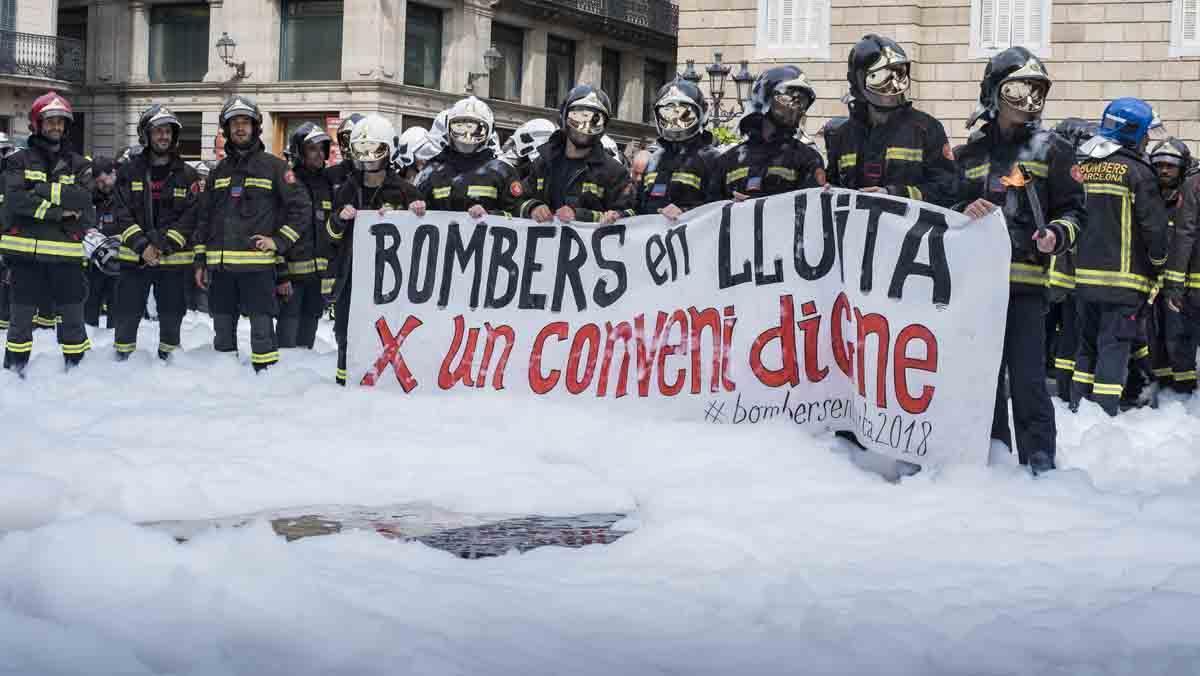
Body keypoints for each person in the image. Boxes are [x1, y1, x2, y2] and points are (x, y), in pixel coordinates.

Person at [954, 47, 1085, 474]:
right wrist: (963, 207)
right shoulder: (969, 154)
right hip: (975, 288)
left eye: (1037, 90)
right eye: (1018, 88)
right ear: (994, 92)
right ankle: (990, 455)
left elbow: (1075, 211)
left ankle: (1039, 462)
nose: (1030, 99)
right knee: (981, 379)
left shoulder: (1055, 151)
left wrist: (1056, 235)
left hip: (1026, 287)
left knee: (1028, 380)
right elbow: (946, 207)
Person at [192, 95, 311, 372]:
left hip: (257, 270)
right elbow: (204, 218)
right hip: (220, 271)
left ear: (256, 127)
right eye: (235, 123)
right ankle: (226, 384)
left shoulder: (275, 167)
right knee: (222, 332)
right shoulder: (218, 171)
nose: (240, 128)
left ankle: (265, 383)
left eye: (245, 122)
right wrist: (200, 262)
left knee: (261, 335)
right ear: (226, 130)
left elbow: (301, 208)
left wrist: (279, 241)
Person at [1070, 98, 1169, 416]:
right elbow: (1154, 229)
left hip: (1084, 278)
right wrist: (1158, 265)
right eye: (1146, 133)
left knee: (1086, 347)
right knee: (1114, 347)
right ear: (1134, 133)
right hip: (1124, 281)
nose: (1149, 139)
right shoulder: (1138, 172)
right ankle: (1103, 415)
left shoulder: (1083, 166)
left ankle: (1077, 407)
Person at [0, 91, 96, 374]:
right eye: (50, 121)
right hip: (25, 258)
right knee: (19, 323)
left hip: (66, 259)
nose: (56, 127)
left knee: (73, 321)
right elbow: (16, 200)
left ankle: (76, 373)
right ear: (37, 123)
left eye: (61, 122)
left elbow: (82, 200)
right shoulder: (18, 160)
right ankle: (15, 373)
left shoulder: (80, 164)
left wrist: (39, 189)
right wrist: (58, 211)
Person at [328, 114, 425, 385]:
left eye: (375, 150)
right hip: (353, 273)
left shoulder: (406, 191)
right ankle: (344, 382)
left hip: (392, 280)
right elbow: (331, 236)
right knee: (347, 331)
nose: (369, 158)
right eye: (362, 151)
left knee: (389, 329)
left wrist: (416, 213)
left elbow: (421, 238)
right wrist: (339, 219)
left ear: (389, 151)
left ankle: (389, 383)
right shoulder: (347, 188)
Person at [111, 105, 201, 361]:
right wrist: (142, 246)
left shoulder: (187, 174)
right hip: (134, 260)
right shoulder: (129, 172)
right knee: (127, 312)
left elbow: (191, 216)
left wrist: (164, 245)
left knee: (172, 312)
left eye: (168, 131)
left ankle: (169, 361)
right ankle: (122, 361)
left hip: (172, 261)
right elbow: (121, 212)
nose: (163, 136)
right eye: (158, 131)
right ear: (146, 135)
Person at [824, 35, 957, 207]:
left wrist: (892, 194)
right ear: (859, 82)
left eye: (898, 74)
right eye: (880, 77)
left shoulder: (927, 129)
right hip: (856, 232)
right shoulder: (843, 135)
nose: (893, 85)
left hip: (907, 231)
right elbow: (833, 186)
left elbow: (949, 189)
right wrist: (828, 190)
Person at [515, 85, 636, 224]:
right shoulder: (544, 162)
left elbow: (630, 214)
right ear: (564, 115)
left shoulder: (614, 172)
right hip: (545, 244)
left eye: (595, 120)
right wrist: (532, 207)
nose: (584, 127)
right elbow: (515, 200)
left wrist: (582, 216)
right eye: (577, 117)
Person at [714, 65, 825, 200]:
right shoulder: (729, 160)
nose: (796, 106)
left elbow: (812, 209)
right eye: (790, 97)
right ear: (765, 97)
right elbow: (708, 211)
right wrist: (729, 206)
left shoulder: (808, 158)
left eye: (802, 100)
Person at [276, 122, 336, 350]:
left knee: (306, 345)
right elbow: (275, 230)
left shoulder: (327, 184)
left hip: (317, 282)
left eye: (322, 148)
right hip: (291, 281)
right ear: (299, 151)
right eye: (312, 148)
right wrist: (281, 275)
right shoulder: (287, 183)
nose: (319, 154)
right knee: (286, 343)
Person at [414, 97, 522, 217]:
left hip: (486, 235)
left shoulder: (502, 171)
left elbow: (517, 212)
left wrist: (490, 216)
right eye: (459, 128)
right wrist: (415, 207)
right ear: (448, 128)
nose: (466, 136)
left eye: (476, 130)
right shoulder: (432, 170)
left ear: (489, 130)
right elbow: (414, 206)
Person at [637, 78, 721, 219]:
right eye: (667, 112)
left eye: (683, 113)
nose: (675, 121)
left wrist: (685, 212)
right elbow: (638, 205)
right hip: (654, 237)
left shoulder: (712, 159)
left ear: (700, 113)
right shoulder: (654, 160)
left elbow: (719, 207)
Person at [1154, 137, 1199, 393]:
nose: (1164, 170)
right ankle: (1164, 382)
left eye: (1170, 165)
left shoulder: (1189, 193)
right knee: (1158, 335)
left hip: (1183, 281)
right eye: (1159, 164)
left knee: (1180, 335)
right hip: (1153, 281)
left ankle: (1184, 389)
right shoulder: (1148, 192)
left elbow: (1186, 236)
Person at [85, 156, 121, 329]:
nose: (101, 185)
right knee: (91, 300)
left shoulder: (125, 194)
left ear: (113, 173)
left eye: (103, 181)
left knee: (116, 302)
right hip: (96, 259)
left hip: (119, 258)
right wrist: (89, 231)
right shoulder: (93, 196)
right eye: (97, 182)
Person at [326, 113, 365, 193]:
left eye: (353, 140)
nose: (346, 147)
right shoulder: (329, 174)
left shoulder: (382, 174)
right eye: (344, 141)